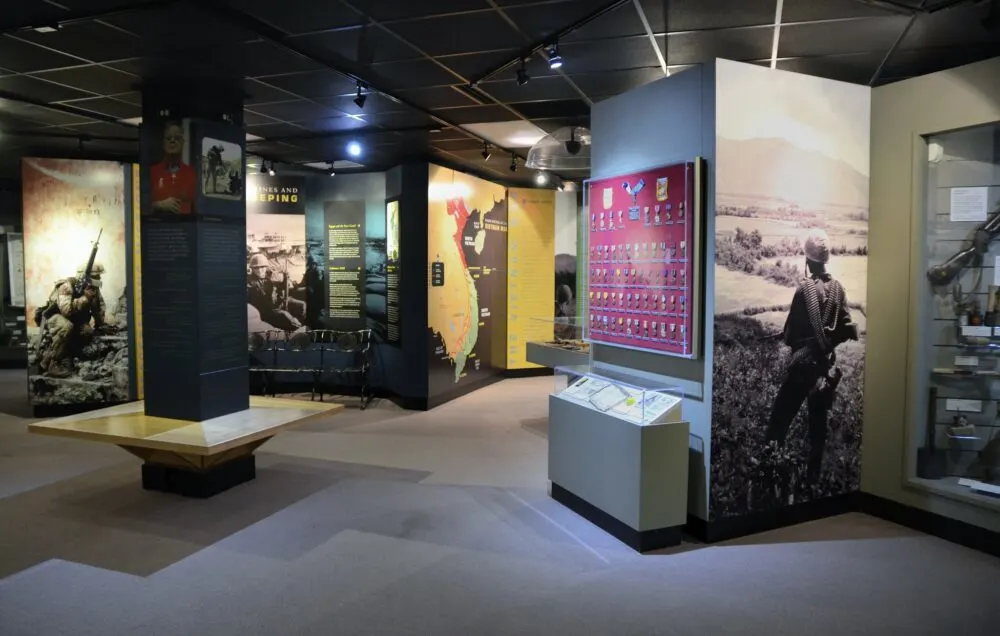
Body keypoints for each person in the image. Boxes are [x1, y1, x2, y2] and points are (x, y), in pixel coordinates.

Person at [764, 230, 858, 481]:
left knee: (778, 423)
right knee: (818, 430)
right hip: (824, 370)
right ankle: (812, 482)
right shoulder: (838, 290)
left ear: (807, 260)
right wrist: (826, 343)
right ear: (826, 259)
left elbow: (789, 334)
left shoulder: (803, 290)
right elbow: (849, 329)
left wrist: (807, 343)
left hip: (802, 368)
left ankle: (769, 476)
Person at [38, 264, 107, 378]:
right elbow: (66, 311)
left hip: (74, 318)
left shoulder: (93, 289)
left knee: (88, 332)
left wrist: (101, 325)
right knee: (67, 326)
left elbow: (97, 308)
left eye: (99, 275)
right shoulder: (67, 286)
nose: (98, 278)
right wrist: (84, 299)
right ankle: (52, 363)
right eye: (95, 276)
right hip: (55, 316)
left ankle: (70, 357)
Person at [247, 253, 303, 331]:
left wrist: (285, 280)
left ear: (266, 267)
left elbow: (280, 287)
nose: (260, 270)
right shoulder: (249, 282)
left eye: (262, 267)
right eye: (256, 268)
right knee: (285, 317)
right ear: (252, 269)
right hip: (266, 310)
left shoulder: (270, 276)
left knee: (302, 306)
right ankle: (296, 332)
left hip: (278, 302)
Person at [150, 121, 196, 215]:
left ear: (183, 143)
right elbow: (140, 205)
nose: (172, 141)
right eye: (169, 138)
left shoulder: (192, 173)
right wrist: (159, 205)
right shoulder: (152, 172)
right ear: (163, 143)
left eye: (177, 138)